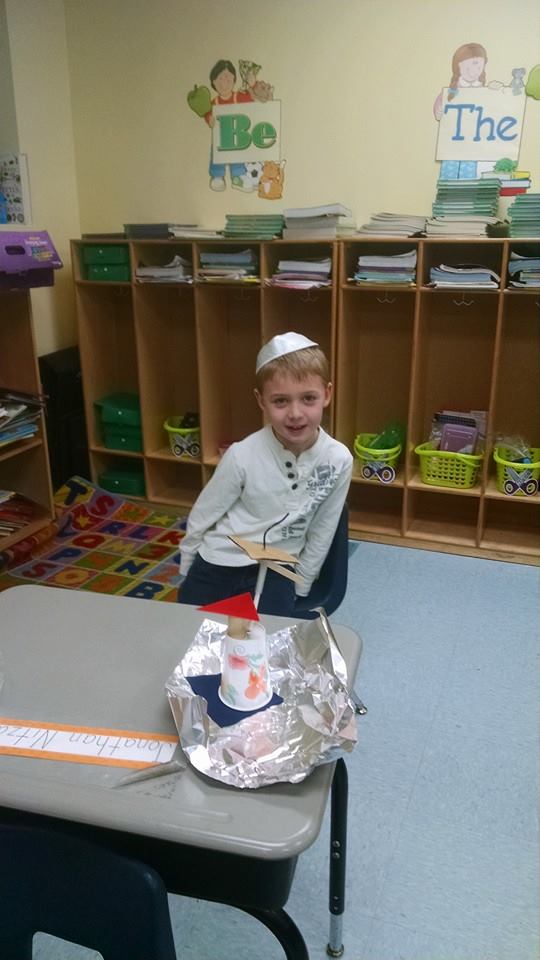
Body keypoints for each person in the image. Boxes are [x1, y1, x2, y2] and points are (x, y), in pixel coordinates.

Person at [178, 332, 353, 615]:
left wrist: (302, 584)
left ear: (327, 394)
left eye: (308, 398)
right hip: (221, 560)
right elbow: (205, 513)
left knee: (270, 634)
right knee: (191, 627)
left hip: (279, 567)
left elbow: (324, 528)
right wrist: (187, 566)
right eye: (280, 401)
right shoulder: (242, 455)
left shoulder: (338, 460)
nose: (295, 413)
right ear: (261, 401)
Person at [433, 42, 503, 180]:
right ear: (458, 66)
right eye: (468, 66)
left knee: (470, 174)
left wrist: (495, 92)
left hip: (474, 144)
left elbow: (494, 109)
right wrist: (439, 111)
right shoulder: (452, 91)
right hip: (453, 143)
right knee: (450, 172)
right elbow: (440, 106)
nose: (473, 71)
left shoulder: (483, 91)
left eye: (478, 66)